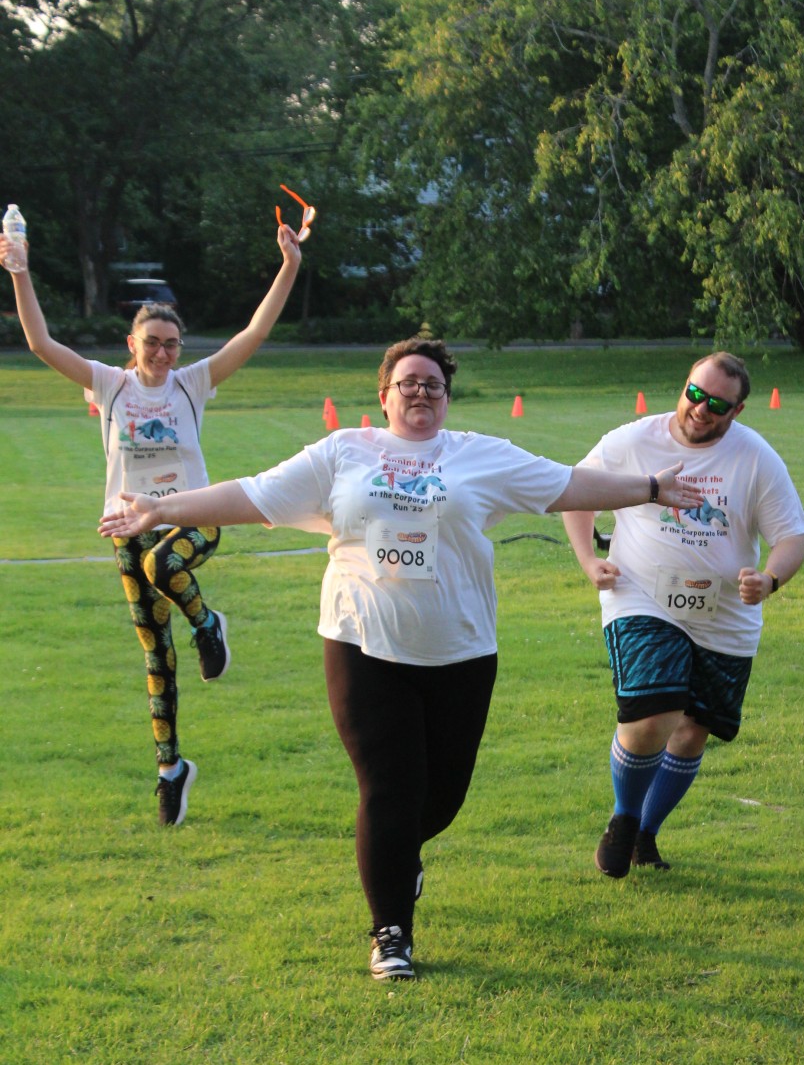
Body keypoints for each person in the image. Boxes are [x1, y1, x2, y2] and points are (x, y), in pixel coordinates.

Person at [98, 336, 706, 979]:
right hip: (363, 643)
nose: (420, 391)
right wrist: (161, 508)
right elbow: (253, 495)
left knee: (440, 799)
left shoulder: (481, 456)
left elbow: (568, 484)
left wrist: (649, 487)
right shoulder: (344, 451)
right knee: (388, 790)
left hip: (461, 649)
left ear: (446, 398)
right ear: (384, 396)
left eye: (432, 384)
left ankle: (396, 858)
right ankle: (391, 932)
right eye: (407, 382)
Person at [2, 217, 303, 826]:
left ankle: (208, 623)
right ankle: (170, 769)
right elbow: (39, 343)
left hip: (193, 517)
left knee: (162, 564)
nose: (163, 353)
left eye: (172, 344)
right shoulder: (110, 386)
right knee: (156, 656)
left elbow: (254, 332)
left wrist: (290, 265)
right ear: (132, 343)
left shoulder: (192, 385)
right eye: (153, 343)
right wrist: (20, 272)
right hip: (127, 528)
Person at [562, 352, 804, 877]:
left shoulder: (756, 458)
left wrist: (769, 579)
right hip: (641, 597)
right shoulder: (633, 441)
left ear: (737, 411)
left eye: (717, 404)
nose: (700, 409)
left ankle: (645, 834)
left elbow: (791, 537)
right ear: (683, 387)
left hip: (724, 615)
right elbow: (577, 494)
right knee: (654, 712)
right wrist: (588, 560)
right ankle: (624, 818)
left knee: (692, 730)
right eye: (694, 394)